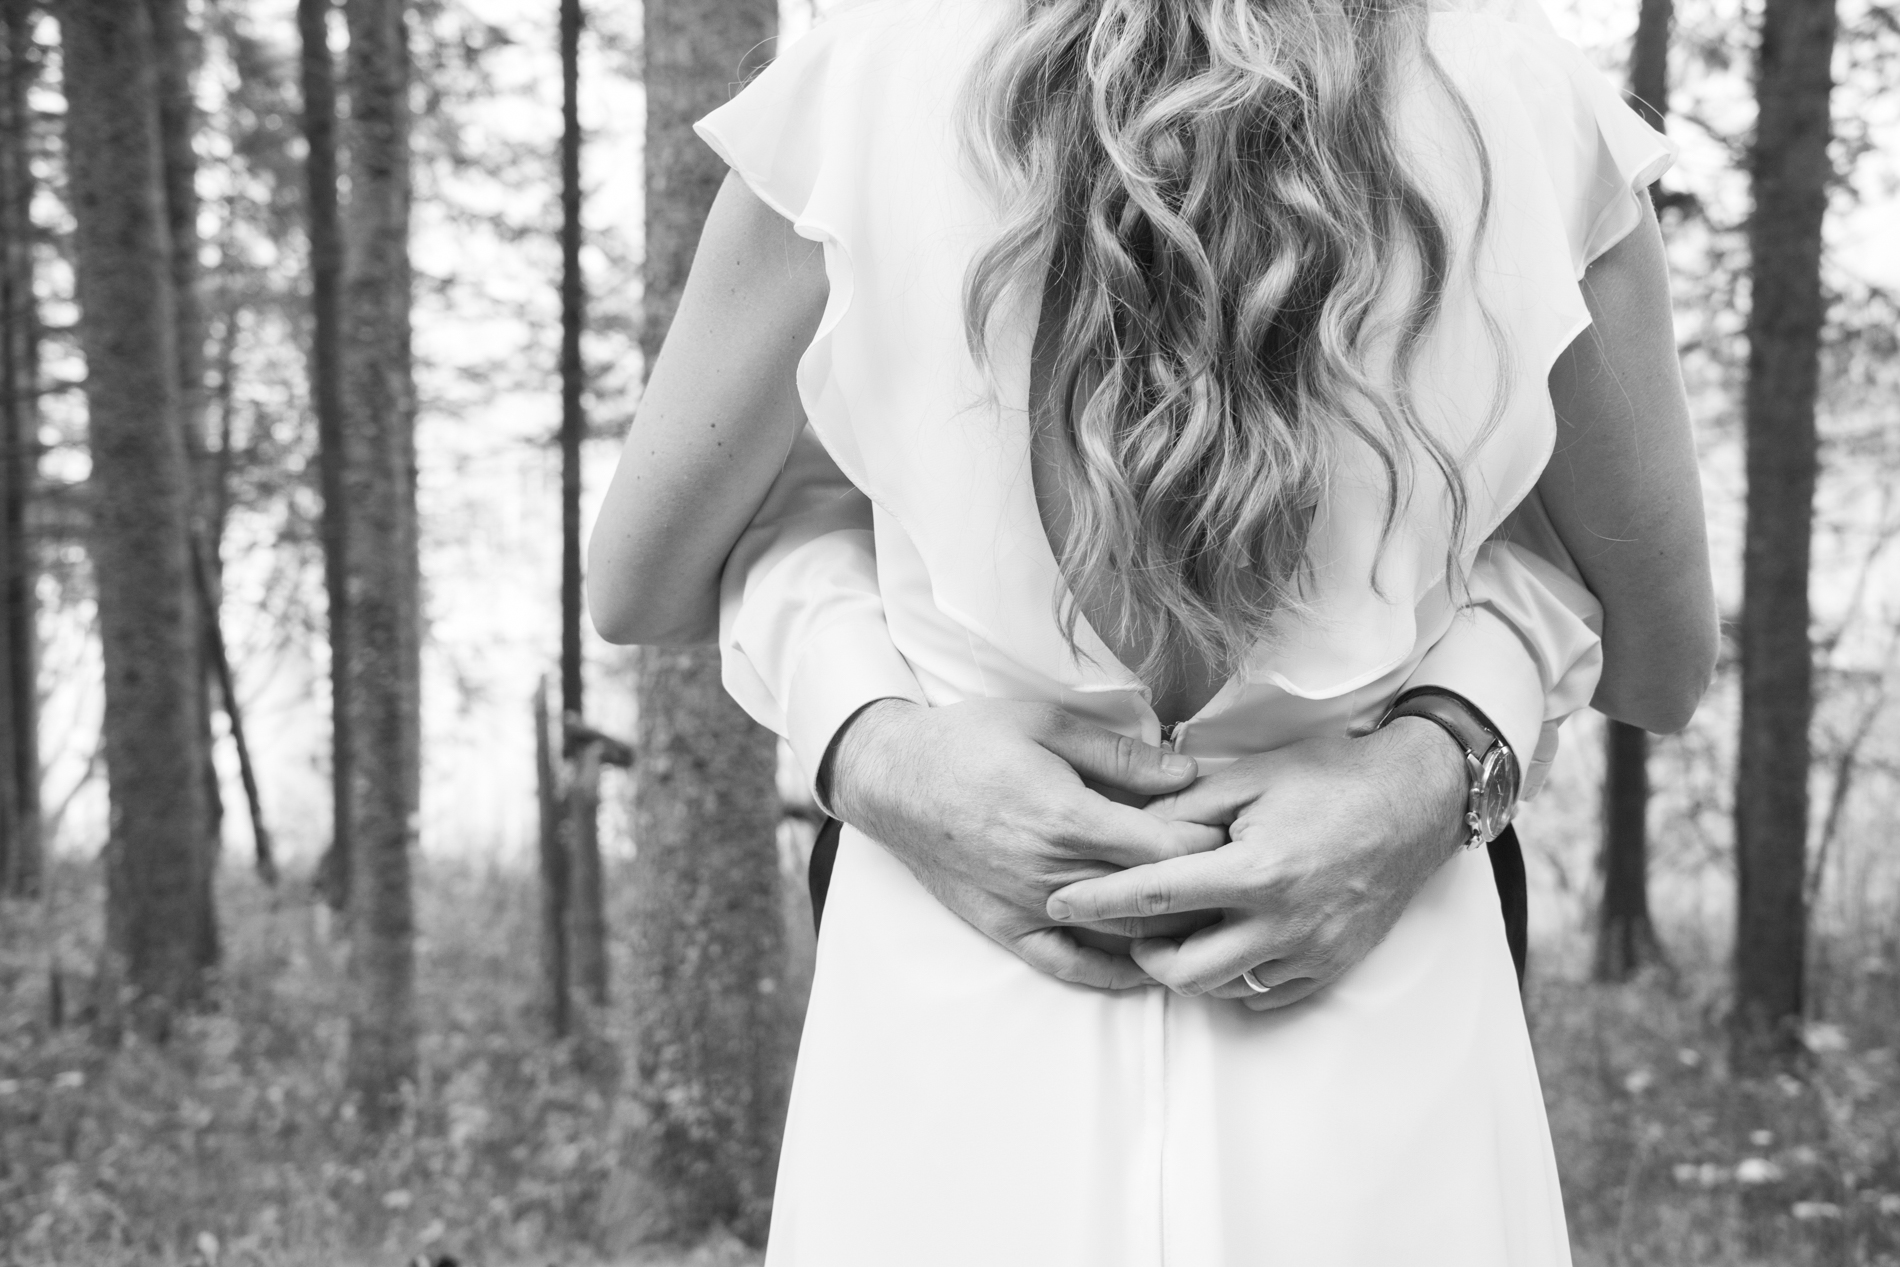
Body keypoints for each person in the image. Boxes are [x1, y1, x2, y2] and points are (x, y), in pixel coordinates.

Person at [588, 0, 1718, 1260]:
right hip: (1371, 1030)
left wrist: (866, 725)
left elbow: (643, 583)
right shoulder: (1531, 109)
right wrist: (1447, 744)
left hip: (956, 1026)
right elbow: (1658, 656)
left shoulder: (855, 91)